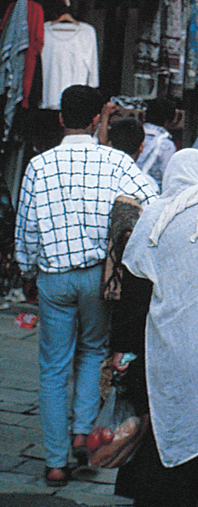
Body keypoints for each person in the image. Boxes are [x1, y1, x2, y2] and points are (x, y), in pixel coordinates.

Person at [14, 85, 156, 487]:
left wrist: (28, 271)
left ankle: (56, 460)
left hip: (54, 277)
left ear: (61, 118)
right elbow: (151, 199)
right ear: (98, 119)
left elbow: (26, 230)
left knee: (54, 367)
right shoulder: (114, 161)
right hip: (98, 276)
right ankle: (81, 432)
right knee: (93, 354)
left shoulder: (39, 166)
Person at [109, 149, 198, 507]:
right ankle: (189, 488)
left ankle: (148, 492)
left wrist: (122, 348)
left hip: (159, 338)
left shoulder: (158, 215)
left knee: (159, 413)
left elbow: (136, 287)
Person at [137, 97, 177, 193]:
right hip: (151, 194)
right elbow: (167, 177)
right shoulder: (167, 145)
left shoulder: (134, 133)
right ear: (167, 121)